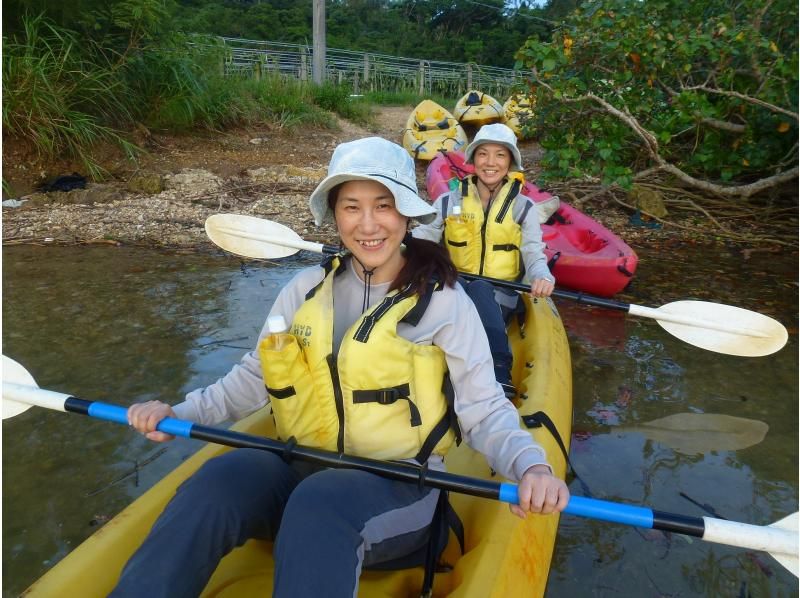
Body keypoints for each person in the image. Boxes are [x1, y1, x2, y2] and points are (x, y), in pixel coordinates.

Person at [111, 137, 569, 598]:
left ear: (407, 215)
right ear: (335, 215)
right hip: (301, 467)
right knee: (216, 481)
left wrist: (531, 467)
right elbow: (255, 377)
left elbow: (485, 409)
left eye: (383, 206)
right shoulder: (304, 288)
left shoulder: (445, 303)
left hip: (401, 486)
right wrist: (180, 414)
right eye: (352, 207)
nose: (368, 224)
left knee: (321, 501)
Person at [413, 123, 554, 398]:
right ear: (473, 159)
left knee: (479, 289)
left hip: (500, 295)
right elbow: (423, 237)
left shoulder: (524, 208)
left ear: (510, 162)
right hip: (455, 289)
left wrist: (542, 275)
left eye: (500, 155)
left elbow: (534, 253)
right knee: (445, 288)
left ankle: (499, 367)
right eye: (483, 154)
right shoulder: (448, 201)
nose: (491, 163)